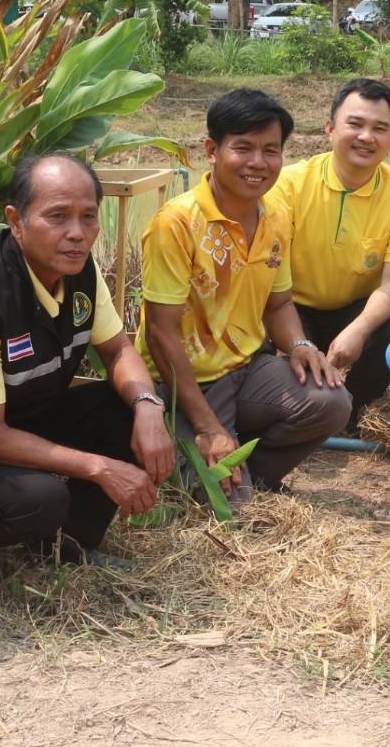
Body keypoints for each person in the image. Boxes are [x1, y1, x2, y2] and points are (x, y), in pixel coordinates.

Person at [0, 154, 176, 575]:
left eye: (88, 217)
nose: (77, 234)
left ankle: (66, 546)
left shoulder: (78, 270)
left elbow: (119, 350)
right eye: (58, 216)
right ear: (16, 220)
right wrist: (100, 467)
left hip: (25, 419)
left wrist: (147, 405)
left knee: (124, 407)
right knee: (43, 497)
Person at [138, 89, 351, 500]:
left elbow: (279, 302)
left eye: (271, 150)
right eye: (243, 148)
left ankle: (254, 475)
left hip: (246, 368)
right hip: (186, 383)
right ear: (212, 150)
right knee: (222, 509)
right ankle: (218, 460)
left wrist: (300, 344)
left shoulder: (275, 215)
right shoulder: (176, 224)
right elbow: (160, 335)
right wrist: (207, 426)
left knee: (332, 401)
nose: (258, 163)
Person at [268, 78, 390, 431]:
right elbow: (267, 274)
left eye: (379, 128)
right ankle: (301, 404)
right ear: (329, 129)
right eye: (355, 124)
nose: (366, 137)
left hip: (359, 309)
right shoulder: (290, 184)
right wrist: (294, 339)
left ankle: (354, 410)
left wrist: (358, 330)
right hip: (291, 307)